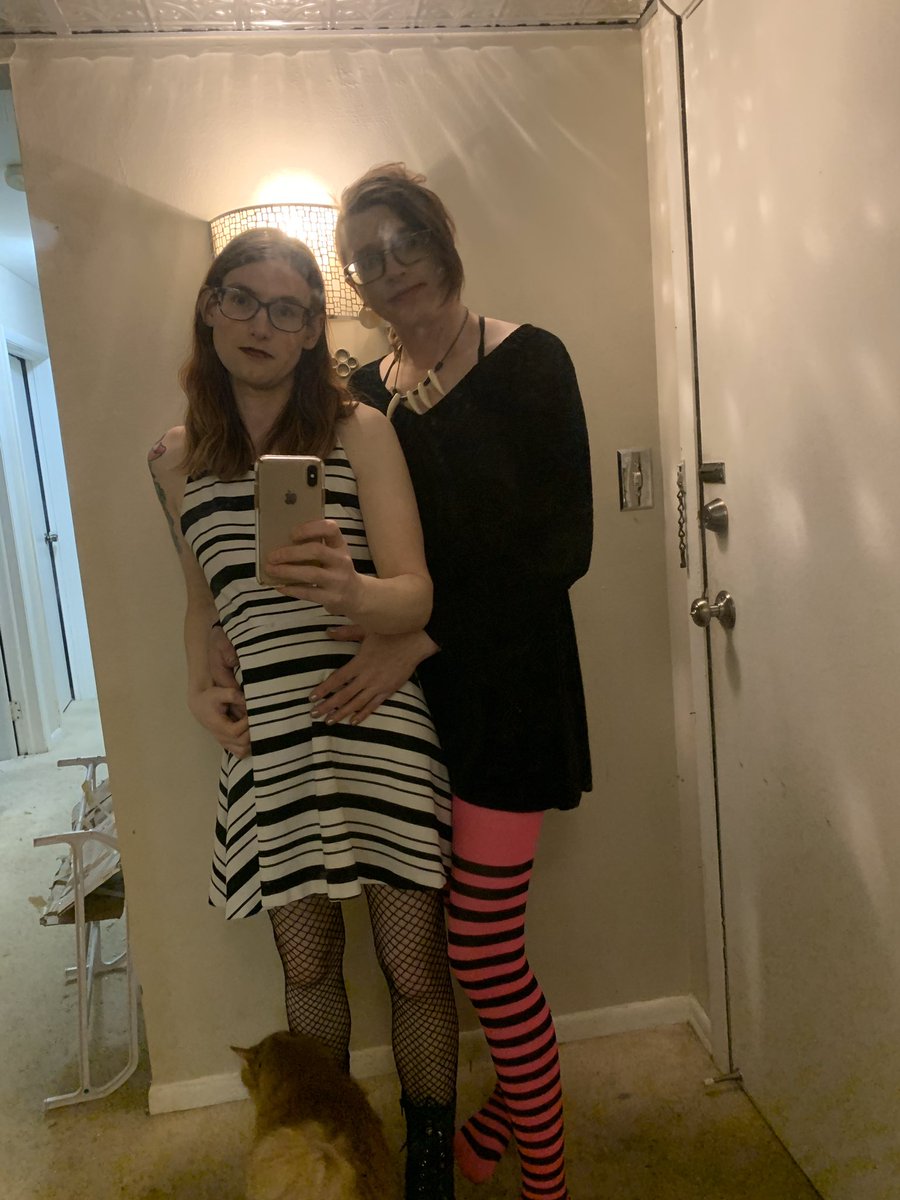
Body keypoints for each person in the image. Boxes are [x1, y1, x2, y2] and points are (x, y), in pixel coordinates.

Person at [148, 227, 458, 1200]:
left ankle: (427, 1167)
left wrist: (352, 592)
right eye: (242, 298)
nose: (262, 324)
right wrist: (197, 685)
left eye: (289, 309)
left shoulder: (360, 432)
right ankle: (325, 1158)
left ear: (313, 330)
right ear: (210, 306)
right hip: (273, 741)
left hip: (377, 720)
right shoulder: (175, 460)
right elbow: (202, 604)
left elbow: (416, 593)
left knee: (414, 967)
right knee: (310, 965)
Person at [321, 164, 594, 1200]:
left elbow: (561, 548)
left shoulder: (530, 359)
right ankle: (497, 1121)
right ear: (355, 282)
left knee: (482, 954)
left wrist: (421, 642)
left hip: (510, 698)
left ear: (441, 242)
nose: (392, 268)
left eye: (406, 243)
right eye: (368, 258)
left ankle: (545, 1183)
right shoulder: (362, 396)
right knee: (437, 942)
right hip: (412, 715)